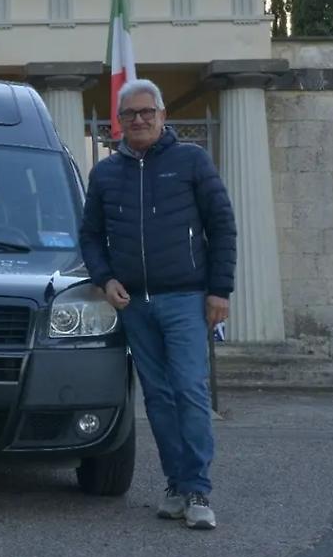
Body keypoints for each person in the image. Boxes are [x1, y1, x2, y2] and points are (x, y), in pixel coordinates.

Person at [78, 78, 235, 530]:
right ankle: (175, 484)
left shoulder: (191, 161)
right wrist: (105, 280)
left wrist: (219, 290)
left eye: (148, 112)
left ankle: (198, 489)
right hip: (135, 305)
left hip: (186, 298)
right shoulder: (105, 173)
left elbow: (222, 225)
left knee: (189, 390)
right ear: (118, 123)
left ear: (163, 116)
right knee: (159, 398)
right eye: (131, 114)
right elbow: (90, 236)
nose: (140, 120)